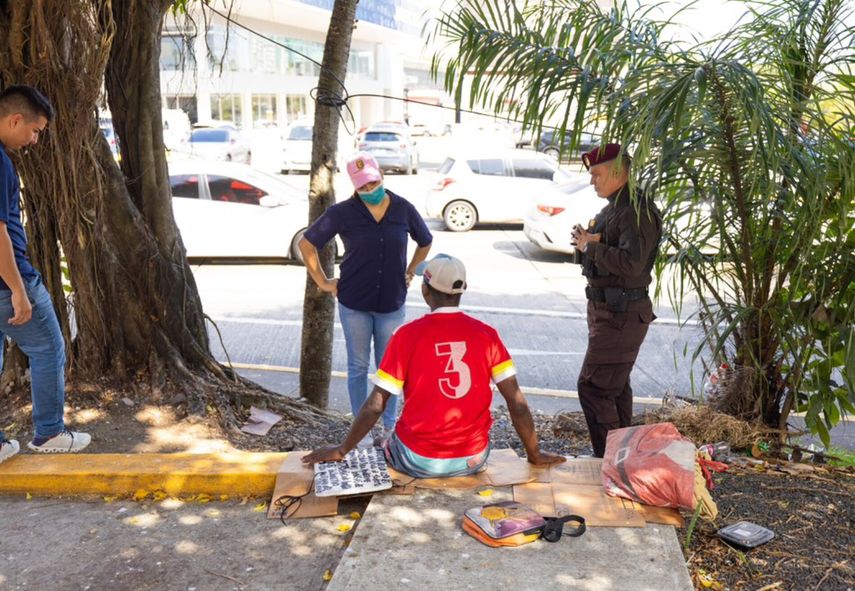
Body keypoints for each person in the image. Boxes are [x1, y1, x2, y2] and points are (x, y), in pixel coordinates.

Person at [302, 254, 565, 477]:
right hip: (473, 459)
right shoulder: (487, 335)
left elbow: (375, 405)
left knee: (390, 441)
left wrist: (342, 449)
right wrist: (534, 454)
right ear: (462, 289)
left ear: (425, 290)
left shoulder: (406, 336)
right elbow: (516, 402)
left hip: (417, 461)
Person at [299, 152, 432, 443]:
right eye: (362, 187)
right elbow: (306, 243)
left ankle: (388, 428)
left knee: (390, 370)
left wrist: (410, 271)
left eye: (373, 183)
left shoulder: (402, 208)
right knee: (358, 367)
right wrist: (322, 281)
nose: (369, 191)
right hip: (354, 302)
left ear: (381, 176)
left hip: (391, 303)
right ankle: (362, 430)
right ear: (354, 186)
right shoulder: (343, 212)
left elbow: (425, 241)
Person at [0, 85, 91, 464]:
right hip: (8, 278)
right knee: (49, 348)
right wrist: (18, 289)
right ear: (15, 119)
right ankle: (51, 432)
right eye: (35, 131)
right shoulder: (1, 162)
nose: (35, 140)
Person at [570, 143, 662, 457]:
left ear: (619, 172)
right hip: (608, 309)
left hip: (620, 312)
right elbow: (602, 250)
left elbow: (632, 263)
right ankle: (623, 459)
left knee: (594, 388)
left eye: (596, 174)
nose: (592, 181)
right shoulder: (615, 208)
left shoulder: (636, 211)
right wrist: (588, 243)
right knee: (613, 387)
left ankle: (610, 459)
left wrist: (592, 246)